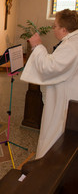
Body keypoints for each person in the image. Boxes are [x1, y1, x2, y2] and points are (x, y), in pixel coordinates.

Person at [21, 9, 78, 159]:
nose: (53, 29)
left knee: (56, 129)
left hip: (64, 98)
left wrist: (37, 46)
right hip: (68, 93)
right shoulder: (72, 41)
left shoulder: (71, 46)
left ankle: (47, 162)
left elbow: (49, 68)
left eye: (55, 26)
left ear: (64, 29)